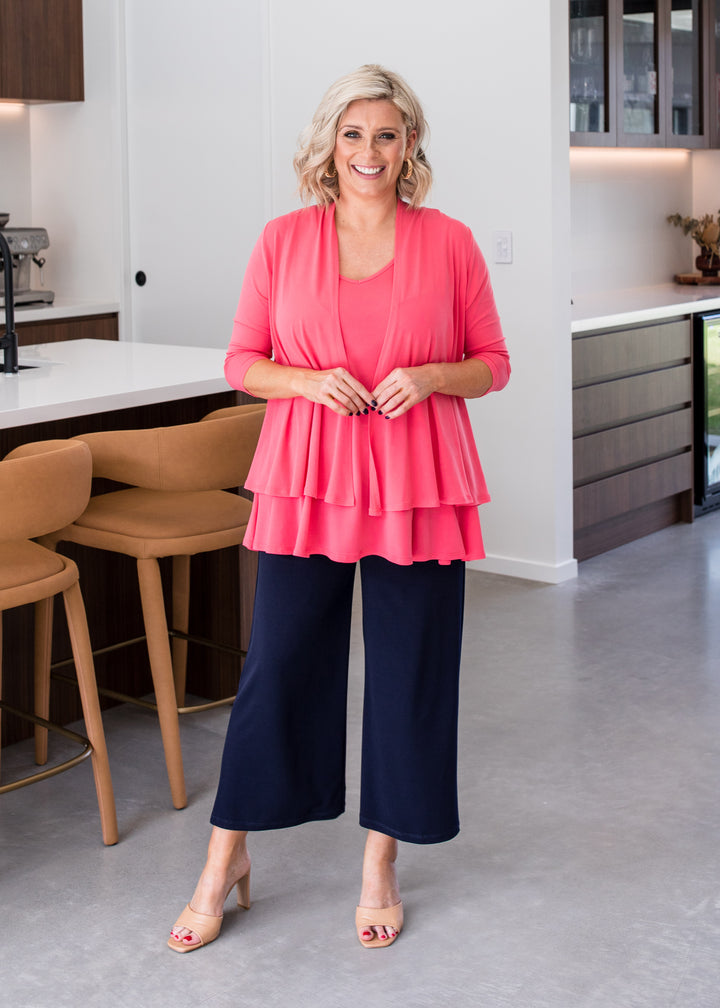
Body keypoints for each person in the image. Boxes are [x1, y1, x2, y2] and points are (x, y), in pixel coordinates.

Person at [168, 63, 510, 953]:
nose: (369, 151)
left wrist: (434, 376)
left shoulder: (450, 242)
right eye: (353, 134)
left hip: (420, 482)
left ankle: (380, 862)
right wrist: (311, 382)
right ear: (329, 143)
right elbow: (242, 362)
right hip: (307, 476)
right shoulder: (283, 240)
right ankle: (224, 860)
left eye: (387, 135)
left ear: (410, 146)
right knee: (277, 667)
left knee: (410, 673)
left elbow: (493, 363)